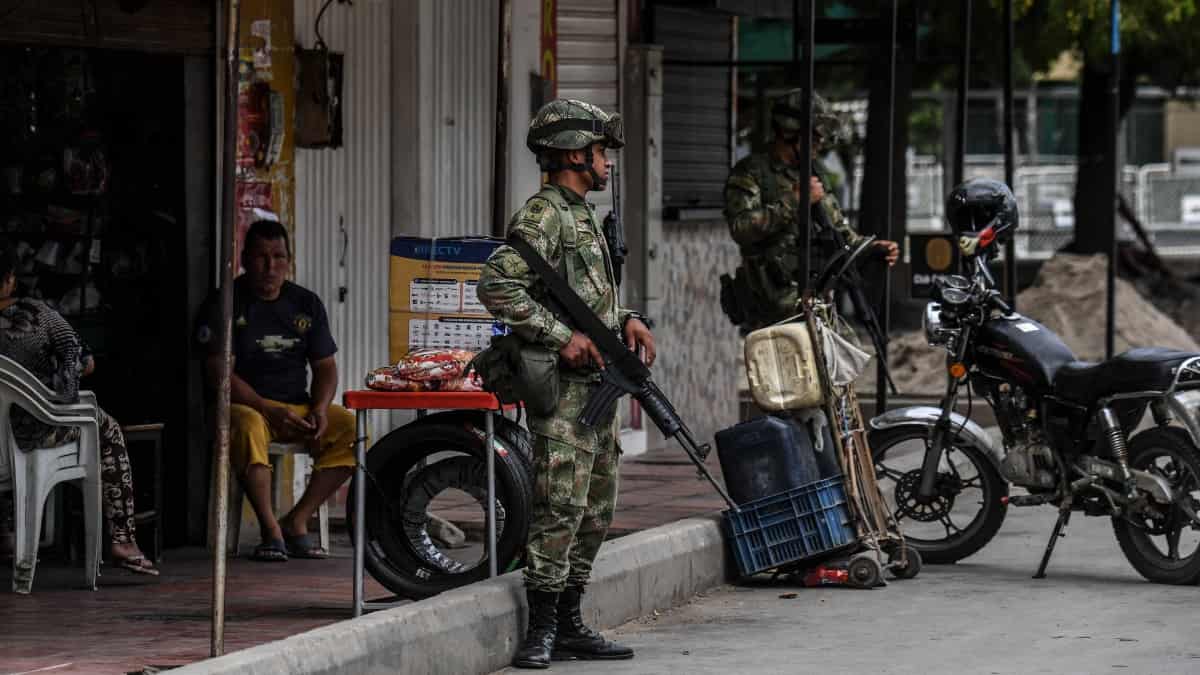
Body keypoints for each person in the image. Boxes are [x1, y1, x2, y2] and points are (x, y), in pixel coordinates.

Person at [477, 99, 654, 669]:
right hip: (561, 390)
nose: (607, 162)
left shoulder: (581, 214)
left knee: (595, 510)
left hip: (596, 389)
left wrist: (627, 317)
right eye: (601, 151)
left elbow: (584, 295)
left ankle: (572, 619)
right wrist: (560, 337)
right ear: (576, 152)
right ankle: (543, 627)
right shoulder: (546, 214)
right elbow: (497, 284)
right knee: (559, 506)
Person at [196, 220, 355, 562]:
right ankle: (271, 532)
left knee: (352, 431)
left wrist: (321, 408)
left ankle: (297, 520)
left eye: (279, 257)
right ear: (244, 260)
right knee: (250, 426)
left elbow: (325, 367)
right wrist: (267, 409)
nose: (271, 267)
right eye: (261, 257)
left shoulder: (306, 304)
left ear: (289, 260)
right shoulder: (226, 302)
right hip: (244, 406)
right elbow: (219, 373)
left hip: (294, 407)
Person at [0, 247, 158, 576]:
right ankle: (123, 539)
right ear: (10, 280)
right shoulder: (38, 314)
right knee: (106, 428)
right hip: (32, 435)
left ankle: (7, 531)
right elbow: (85, 362)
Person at [723, 89, 900, 332]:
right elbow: (740, 229)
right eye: (815, 139)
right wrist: (795, 201)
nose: (819, 146)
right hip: (772, 313)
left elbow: (839, 233)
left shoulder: (813, 172)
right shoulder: (752, 171)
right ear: (789, 133)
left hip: (816, 306)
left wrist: (871, 249)